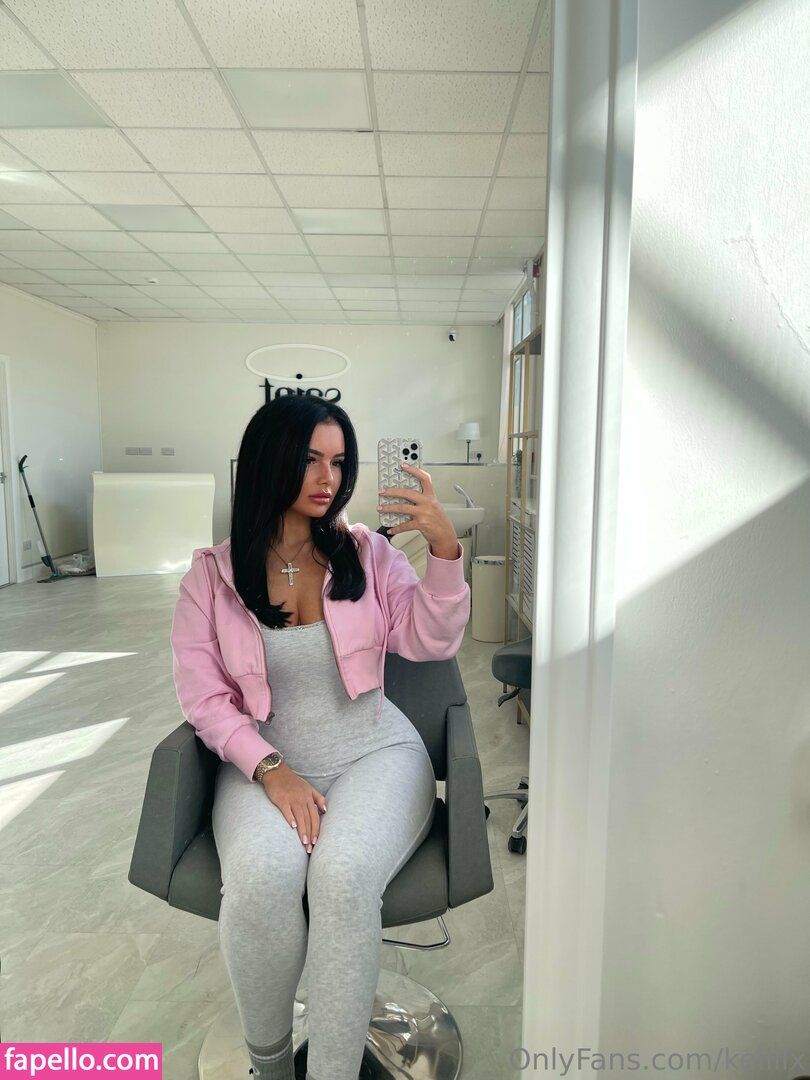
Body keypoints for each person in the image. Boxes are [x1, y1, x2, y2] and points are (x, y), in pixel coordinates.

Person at [170, 395, 470, 1080]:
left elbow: (432, 639)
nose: (327, 477)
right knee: (261, 878)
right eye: (309, 459)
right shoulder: (210, 578)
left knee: (343, 877)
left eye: (337, 461)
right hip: (265, 764)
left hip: (376, 752)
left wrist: (445, 552)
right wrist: (269, 767)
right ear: (268, 461)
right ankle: (272, 1066)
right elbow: (204, 698)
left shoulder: (369, 554)